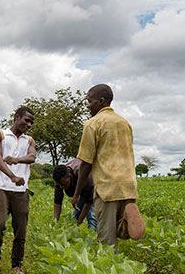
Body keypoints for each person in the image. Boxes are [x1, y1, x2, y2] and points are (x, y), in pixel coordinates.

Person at [73, 84, 144, 247]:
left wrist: (77, 194)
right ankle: (125, 221)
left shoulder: (93, 124)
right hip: (128, 185)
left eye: (90, 101)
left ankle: (110, 266)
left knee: (106, 239)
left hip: (107, 187)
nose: (88, 105)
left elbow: (85, 163)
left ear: (101, 101)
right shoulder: (125, 123)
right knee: (117, 229)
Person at [0, 106, 37, 274]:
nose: (29, 124)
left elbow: (32, 157)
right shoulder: (0, 135)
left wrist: (17, 160)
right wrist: (12, 176)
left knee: (20, 228)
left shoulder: (29, 140)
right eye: (27, 120)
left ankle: (16, 266)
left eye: (32, 122)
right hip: (1, 188)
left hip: (21, 191)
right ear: (17, 117)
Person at [52, 159, 96, 231]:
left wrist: (79, 222)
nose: (62, 187)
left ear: (69, 176)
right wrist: (55, 223)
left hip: (92, 188)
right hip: (80, 193)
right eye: (60, 185)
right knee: (74, 219)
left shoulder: (84, 176)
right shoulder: (59, 180)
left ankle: (93, 237)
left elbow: (88, 203)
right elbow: (57, 202)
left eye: (64, 184)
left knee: (92, 218)